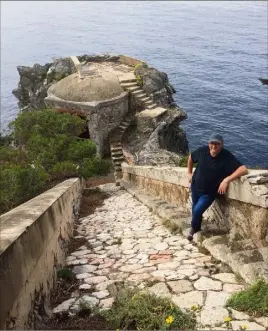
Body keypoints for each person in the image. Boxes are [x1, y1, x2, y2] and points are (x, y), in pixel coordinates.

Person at [187, 133, 248, 241]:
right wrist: (189, 173)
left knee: (197, 211)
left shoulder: (226, 156)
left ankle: (193, 229)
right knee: (194, 209)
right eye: (212, 143)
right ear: (208, 143)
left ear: (222, 145)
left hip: (208, 193)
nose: (214, 146)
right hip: (195, 187)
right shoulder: (202, 151)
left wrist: (227, 180)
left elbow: (243, 169)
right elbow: (191, 157)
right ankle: (196, 227)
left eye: (217, 144)